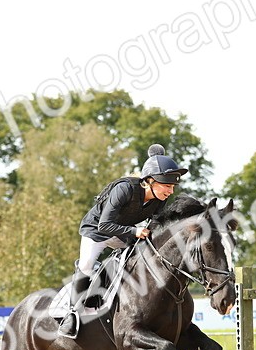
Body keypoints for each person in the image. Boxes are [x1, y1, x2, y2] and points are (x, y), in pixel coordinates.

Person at [58, 144, 188, 338]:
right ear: (150, 181)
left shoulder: (159, 198)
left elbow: (156, 224)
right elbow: (104, 225)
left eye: (172, 187)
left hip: (123, 234)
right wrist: (134, 231)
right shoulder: (124, 189)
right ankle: (71, 314)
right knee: (86, 265)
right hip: (96, 231)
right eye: (167, 186)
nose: (170, 191)